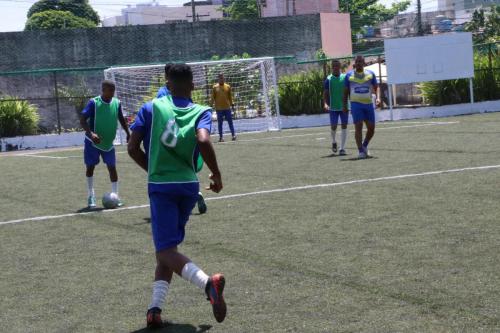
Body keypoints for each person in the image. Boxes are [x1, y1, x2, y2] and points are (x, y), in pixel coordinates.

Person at [128, 64, 227, 329]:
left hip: (161, 186)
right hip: (187, 186)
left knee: (165, 250)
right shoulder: (201, 111)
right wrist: (216, 174)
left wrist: (153, 168)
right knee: (167, 252)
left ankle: (208, 284)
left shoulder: (150, 108)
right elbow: (204, 140)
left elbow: (132, 147)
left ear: (167, 85)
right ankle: (154, 311)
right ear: (193, 86)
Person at [157, 63, 208, 214]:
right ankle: (194, 193)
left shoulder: (161, 93)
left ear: (167, 78)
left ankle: (183, 199)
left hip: (168, 137)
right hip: (186, 137)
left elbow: (161, 115)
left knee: (169, 173)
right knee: (187, 167)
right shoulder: (185, 92)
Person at [80, 80, 130, 208]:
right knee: (90, 167)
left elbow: (121, 118)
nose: (112, 93)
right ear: (103, 89)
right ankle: (91, 195)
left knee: (112, 167)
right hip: (92, 142)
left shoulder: (116, 103)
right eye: (110, 90)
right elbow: (82, 120)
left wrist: (128, 133)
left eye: (113, 90)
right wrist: (91, 134)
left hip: (108, 143)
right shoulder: (94, 103)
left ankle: (115, 195)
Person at [343, 55, 379, 159]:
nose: (358, 63)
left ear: (364, 63)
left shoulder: (371, 74)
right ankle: (360, 151)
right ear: (355, 63)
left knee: (371, 129)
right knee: (358, 127)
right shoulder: (349, 75)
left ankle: (364, 145)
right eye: (357, 61)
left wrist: (377, 98)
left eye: (360, 61)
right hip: (355, 104)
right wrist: (345, 105)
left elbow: (376, 88)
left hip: (368, 105)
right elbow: (345, 93)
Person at [324, 59, 348, 155]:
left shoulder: (345, 77)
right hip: (333, 107)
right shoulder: (328, 79)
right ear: (332, 67)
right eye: (334, 66)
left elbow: (348, 91)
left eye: (337, 66)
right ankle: (334, 141)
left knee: (344, 126)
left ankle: (342, 148)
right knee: (333, 126)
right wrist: (325, 104)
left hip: (344, 107)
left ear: (340, 67)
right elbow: (325, 93)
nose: (336, 68)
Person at [212, 73, 236, 142]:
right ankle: (221, 137)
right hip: (219, 109)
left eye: (222, 78)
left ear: (224, 78)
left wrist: (232, 104)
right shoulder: (215, 87)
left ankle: (233, 135)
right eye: (220, 78)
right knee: (220, 124)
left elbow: (230, 97)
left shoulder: (228, 86)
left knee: (230, 122)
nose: (221, 79)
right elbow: (212, 98)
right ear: (218, 79)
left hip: (227, 108)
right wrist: (210, 106)